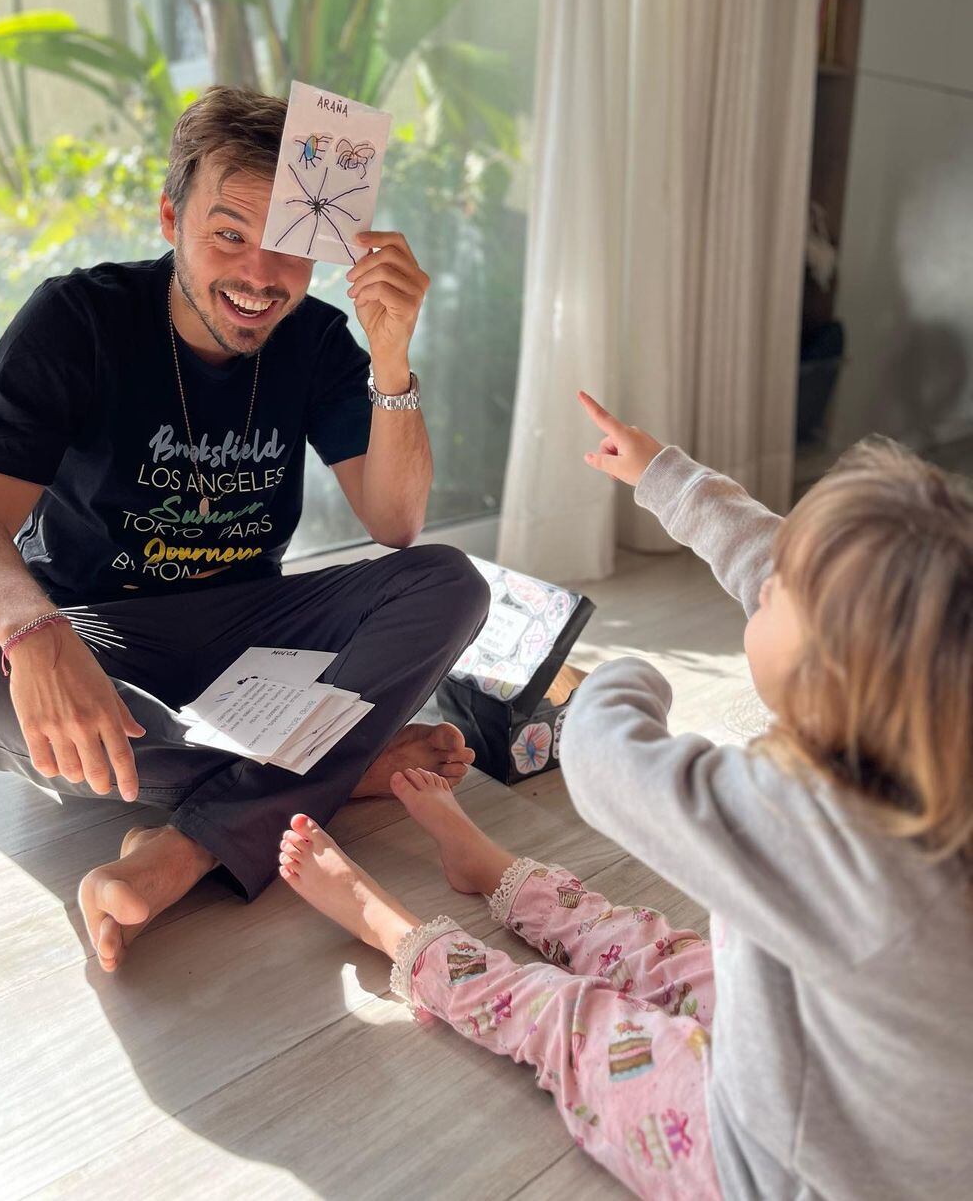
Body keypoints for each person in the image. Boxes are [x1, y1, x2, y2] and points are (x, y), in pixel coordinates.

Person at [272, 395, 973, 1201]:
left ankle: (401, 938)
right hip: (841, 1062)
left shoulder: (812, 835)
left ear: (831, 671)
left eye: (783, 594)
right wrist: (664, 477)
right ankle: (490, 867)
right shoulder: (922, 720)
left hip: (774, 1166)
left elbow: (608, 763)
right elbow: (775, 562)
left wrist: (623, 676)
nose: (765, 583)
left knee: (572, 1023)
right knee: (658, 951)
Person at [0, 86, 489, 972]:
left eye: (287, 248)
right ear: (169, 216)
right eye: (229, 234)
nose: (261, 277)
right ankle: (342, 766)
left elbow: (396, 520)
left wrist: (391, 355)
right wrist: (33, 636)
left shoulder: (319, 340)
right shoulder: (77, 321)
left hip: (249, 630)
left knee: (449, 579)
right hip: (103, 638)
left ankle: (193, 841)